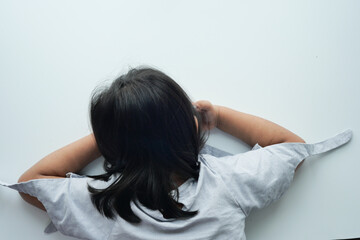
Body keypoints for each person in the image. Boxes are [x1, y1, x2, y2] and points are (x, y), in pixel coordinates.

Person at [0, 67, 352, 240]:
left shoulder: (103, 205)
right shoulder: (227, 183)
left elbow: (32, 183)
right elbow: (291, 149)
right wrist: (220, 116)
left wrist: (113, 134)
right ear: (189, 125)